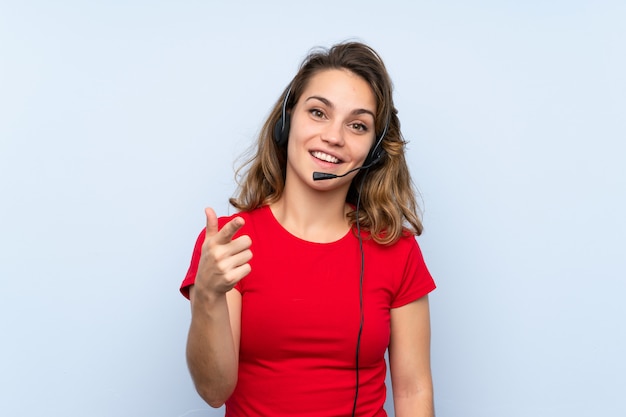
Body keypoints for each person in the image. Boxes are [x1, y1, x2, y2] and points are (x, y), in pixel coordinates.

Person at [180, 41, 436, 417]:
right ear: (287, 121)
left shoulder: (396, 249)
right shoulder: (229, 242)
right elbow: (215, 390)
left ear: (375, 150)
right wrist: (207, 295)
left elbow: (413, 392)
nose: (334, 136)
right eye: (318, 112)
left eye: (357, 125)